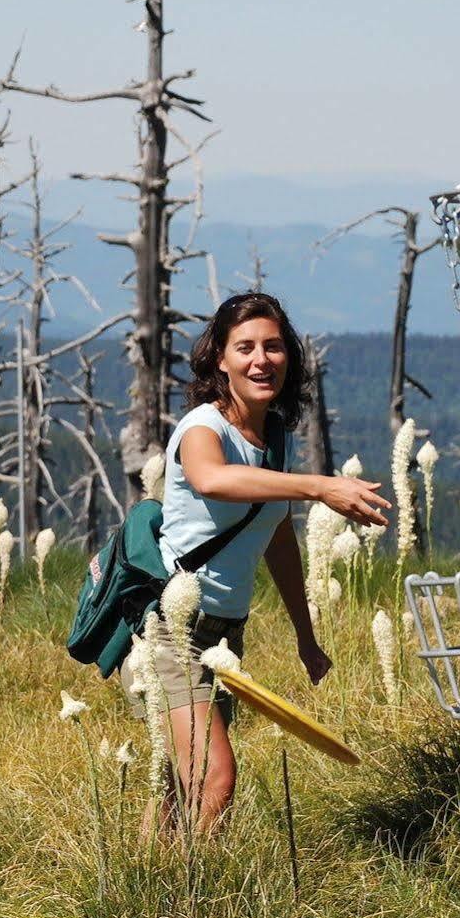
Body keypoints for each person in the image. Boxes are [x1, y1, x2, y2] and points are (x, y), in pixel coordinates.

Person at [145, 291, 389, 832]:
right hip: (171, 625)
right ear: (220, 360)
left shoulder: (272, 437)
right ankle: (193, 906)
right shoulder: (203, 428)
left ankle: (145, 896)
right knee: (215, 778)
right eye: (246, 347)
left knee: (174, 783)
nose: (262, 360)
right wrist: (320, 487)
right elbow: (212, 479)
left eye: (274, 347)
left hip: (227, 632)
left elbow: (278, 538)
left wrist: (306, 636)